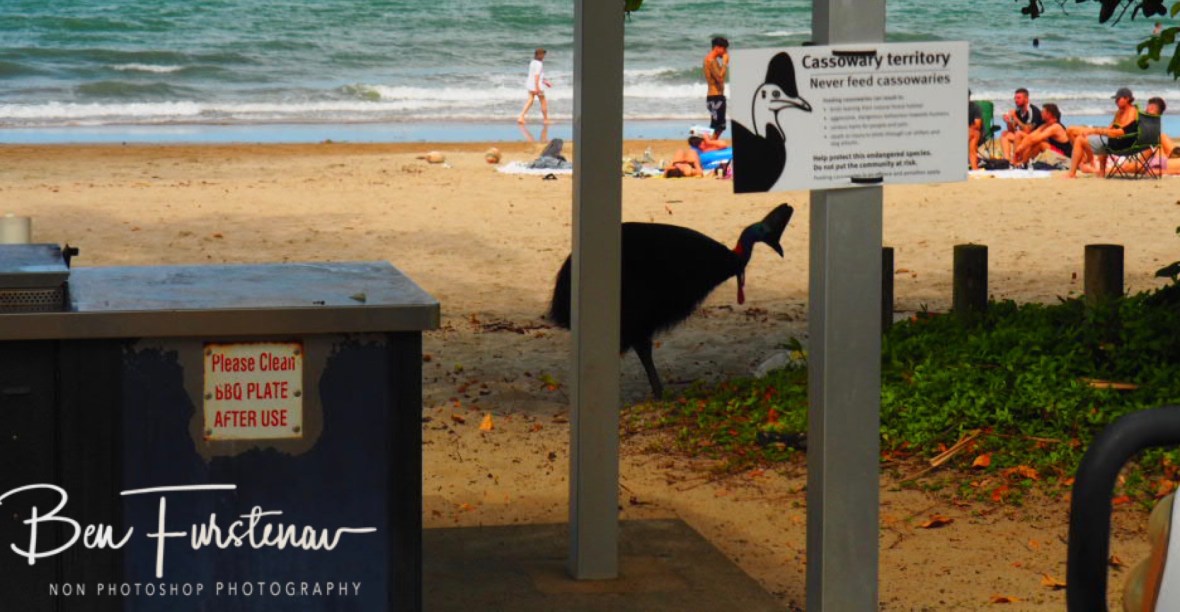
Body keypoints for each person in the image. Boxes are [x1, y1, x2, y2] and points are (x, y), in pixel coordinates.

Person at [1065, 87, 1139, 178]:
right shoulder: (1122, 112)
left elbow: (1121, 132)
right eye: (1115, 100)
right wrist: (1092, 132)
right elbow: (1110, 129)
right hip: (1121, 142)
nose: (1116, 102)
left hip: (1120, 144)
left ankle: (1072, 173)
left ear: (1127, 98)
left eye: (1118, 99)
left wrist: (1096, 131)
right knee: (1094, 136)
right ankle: (1101, 172)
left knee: (1079, 140)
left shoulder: (1131, 113)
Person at [1011, 103, 1071, 167]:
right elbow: (1031, 136)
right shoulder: (1046, 125)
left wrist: (1020, 148)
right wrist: (1019, 148)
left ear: (1049, 114)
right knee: (1019, 134)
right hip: (1055, 151)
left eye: (1043, 112)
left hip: (1064, 156)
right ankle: (1016, 160)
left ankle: (1023, 162)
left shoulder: (1055, 127)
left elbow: (1035, 139)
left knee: (1040, 143)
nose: (1041, 113)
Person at [1000, 88, 1044, 163]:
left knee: (1019, 134)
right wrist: (1009, 121)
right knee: (1005, 134)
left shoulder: (1033, 111)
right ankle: (1006, 160)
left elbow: (1028, 130)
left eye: (1019, 98)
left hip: (1035, 139)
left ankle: (1016, 160)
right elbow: (1012, 130)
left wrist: (1015, 118)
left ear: (1026, 99)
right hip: (1023, 137)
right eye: (1015, 98)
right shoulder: (1018, 111)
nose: (1016, 100)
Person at [517, 48, 552, 125]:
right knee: (543, 102)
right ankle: (546, 120)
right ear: (540, 55)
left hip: (530, 84)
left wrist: (545, 82)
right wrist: (537, 87)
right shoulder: (539, 64)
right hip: (537, 85)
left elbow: (534, 75)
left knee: (530, 101)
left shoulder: (532, 62)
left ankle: (521, 117)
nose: (544, 56)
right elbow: (537, 76)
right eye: (543, 55)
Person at [704, 37, 729, 139]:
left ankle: (709, 143)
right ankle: (709, 144)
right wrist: (725, 63)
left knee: (717, 126)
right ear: (717, 48)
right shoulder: (711, 60)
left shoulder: (711, 60)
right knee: (719, 127)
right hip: (715, 98)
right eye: (724, 49)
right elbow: (720, 78)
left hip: (715, 97)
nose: (725, 52)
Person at [968, 91, 983, 170]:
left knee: (973, 132)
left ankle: (974, 168)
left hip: (975, 132)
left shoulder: (975, 108)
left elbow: (977, 125)